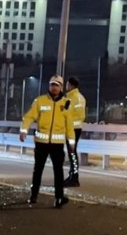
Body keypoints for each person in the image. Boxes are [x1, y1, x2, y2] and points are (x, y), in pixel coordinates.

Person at [19, 75, 72, 207]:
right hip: (41, 143)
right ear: (49, 86)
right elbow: (29, 117)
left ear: (61, 88)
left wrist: (71, 142)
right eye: (52, 85)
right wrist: (23, 130)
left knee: (58, 172)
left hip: (57, 145)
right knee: (38, 170)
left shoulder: (66, 103)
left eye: (57, 85)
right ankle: (33, 195)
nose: (54, 87)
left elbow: (69, 125)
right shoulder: (40, 101)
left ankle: (59, 198)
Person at [63, 77, 87, 187]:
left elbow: (65, 113)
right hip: (78, 128)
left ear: (71, 85)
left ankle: (74, 178)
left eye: (67, 84)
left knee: (72, 153)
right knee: (73, 152)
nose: (66, 86)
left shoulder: (70, 98)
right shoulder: (81, 97)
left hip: (71, 128)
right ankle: (72, 175)